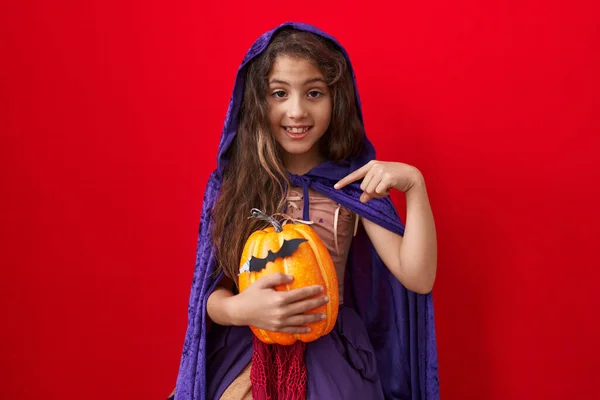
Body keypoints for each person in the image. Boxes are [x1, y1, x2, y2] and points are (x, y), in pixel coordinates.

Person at [170, 22, 439, 400]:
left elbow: (419, 278)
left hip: (333, 358)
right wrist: (241, 309)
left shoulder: (352, 184)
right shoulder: (233, 187)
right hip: (246, 355)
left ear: (337, 99)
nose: (296, 111)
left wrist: (415, 187)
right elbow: (208, 297)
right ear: (257, 102)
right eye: (279, 93)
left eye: (314, 93)